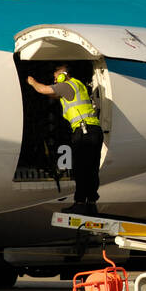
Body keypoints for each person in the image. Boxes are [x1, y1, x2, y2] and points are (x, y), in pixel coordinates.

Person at [27, 64, 102, 214]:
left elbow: (43, 90)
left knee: (81, 169)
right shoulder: (77, 85)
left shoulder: (67, 86)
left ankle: (80, 203)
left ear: (64, 75)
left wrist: (32, 82)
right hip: (94, 130)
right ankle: (91, 204)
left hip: (83, 132)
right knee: (91, 170)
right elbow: (53, 94)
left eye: (56, 78)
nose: (55, 81)